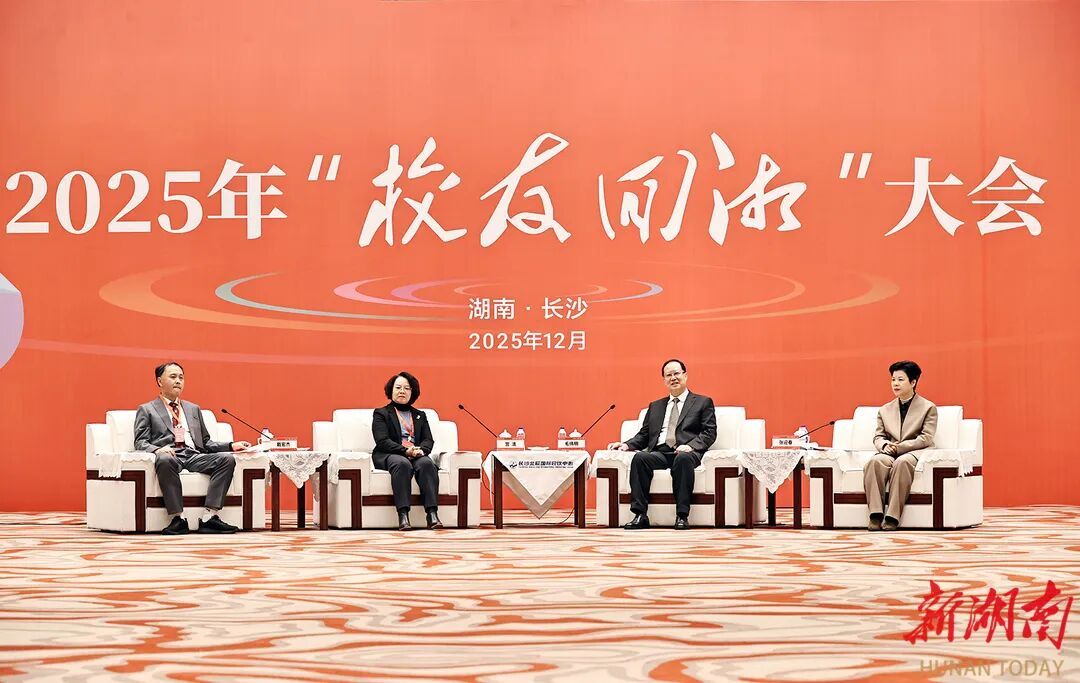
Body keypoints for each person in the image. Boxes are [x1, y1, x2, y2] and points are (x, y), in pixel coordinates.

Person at [133, 362, 251, 535]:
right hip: (170, 455)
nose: (178, 381)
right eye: (173, 377)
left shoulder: (193, 409)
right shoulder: (147, 409)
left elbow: (206, 442)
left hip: (194, 455)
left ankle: (209, 518)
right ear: (159, 381)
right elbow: (140, 442)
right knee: (164, 459)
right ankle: (178, 519)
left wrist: (231, 445)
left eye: (181, 377)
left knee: (227, 459)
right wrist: (157, 450)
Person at [608, 359, 717, 530]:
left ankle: (682, 516)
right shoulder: (656, 406)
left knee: (682, 459)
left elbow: (709, 432)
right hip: (661, 453)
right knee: (640, 458)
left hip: (687, 453)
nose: (673, 378)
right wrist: (626, 445)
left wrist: (691, 446)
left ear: (685, 375)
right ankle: (640, 515)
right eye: (668, 375)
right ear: (664, 380)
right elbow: (644, 434)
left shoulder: (702, 402)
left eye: (676, 373)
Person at [864, 360, 938, 531]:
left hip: (915, 451)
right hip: (890, 451)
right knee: (874, 462)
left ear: (913, 382)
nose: (895, 384)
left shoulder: (928, 407)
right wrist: (884, 445)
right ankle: (875, 515)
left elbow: (926, 438)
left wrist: (901, 447)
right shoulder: (884, 409)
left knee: (902, 462)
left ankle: (892, 517)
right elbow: (878, 436)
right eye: (893, 379)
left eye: (900, 379)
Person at [371, 371, 442, 531]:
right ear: (391, 391)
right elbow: (382, 441)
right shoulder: (381, 413)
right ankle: (403, 515)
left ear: (412, 392)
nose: (402, 391)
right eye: (398, 387)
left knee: (427, 464)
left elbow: (428, 440)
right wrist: (405, 451)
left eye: (406, 388)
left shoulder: (420, 415)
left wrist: (421, 450)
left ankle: (432, 513)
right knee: (402, 464)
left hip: (416, 454)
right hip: (391, 453)